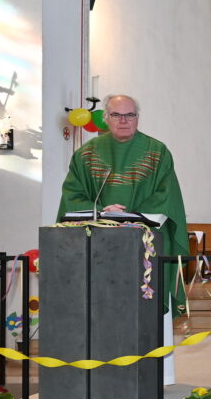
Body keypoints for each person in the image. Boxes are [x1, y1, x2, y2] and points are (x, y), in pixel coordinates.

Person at [57, 94, 189, 314]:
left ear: (138, 118)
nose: (124, 120)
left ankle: (150, 347)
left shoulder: (157, 152)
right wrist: (100, 211)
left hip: (146, 242)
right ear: (106, 118)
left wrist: (133, 216)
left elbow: (167, 196)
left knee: (146, 310)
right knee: (102, 306)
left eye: (130, 115)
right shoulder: (86, 155)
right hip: (98, 243)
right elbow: (72, 195)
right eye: (117, 115)